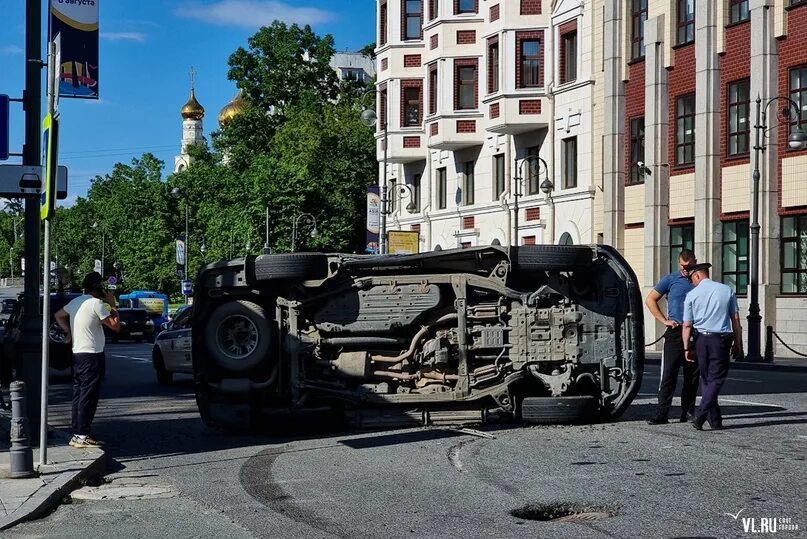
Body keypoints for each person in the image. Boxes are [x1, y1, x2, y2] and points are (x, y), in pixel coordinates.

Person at [55, 272, 120, 448]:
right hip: (92, 355)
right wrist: (113, 305)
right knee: (88, 395)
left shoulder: (76, 302)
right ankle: (82, 435)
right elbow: (115, 326)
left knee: (78, 393)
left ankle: (77, 433)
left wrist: (68, 331)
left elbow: (59, 315)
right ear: (97, 287)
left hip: (77, 354)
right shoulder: (97, 304)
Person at [682, 263, 743, 430]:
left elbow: (687, 325)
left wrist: (687, 348)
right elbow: (735, 320)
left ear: (697, 276)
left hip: (701, 340)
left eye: (691, 280)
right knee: (715, 379)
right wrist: (738, 343)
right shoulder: (726, 290)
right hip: (720, 340)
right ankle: (701, 415)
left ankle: (715, 420)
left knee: (707, 379)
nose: (692, 283)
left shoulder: (692, 295)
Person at [645, 249, 699, 425]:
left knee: (692, 375)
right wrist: (663, 320)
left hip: (696, 331)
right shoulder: (671, 279)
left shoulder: (700, 281)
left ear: (695, 262)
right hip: (676, 330)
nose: (685, 270)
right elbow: (650, 299)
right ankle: (662, 413)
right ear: (679, 263)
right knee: (669, 374)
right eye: (683, 266)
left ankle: (689, 410)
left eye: (689, 266)